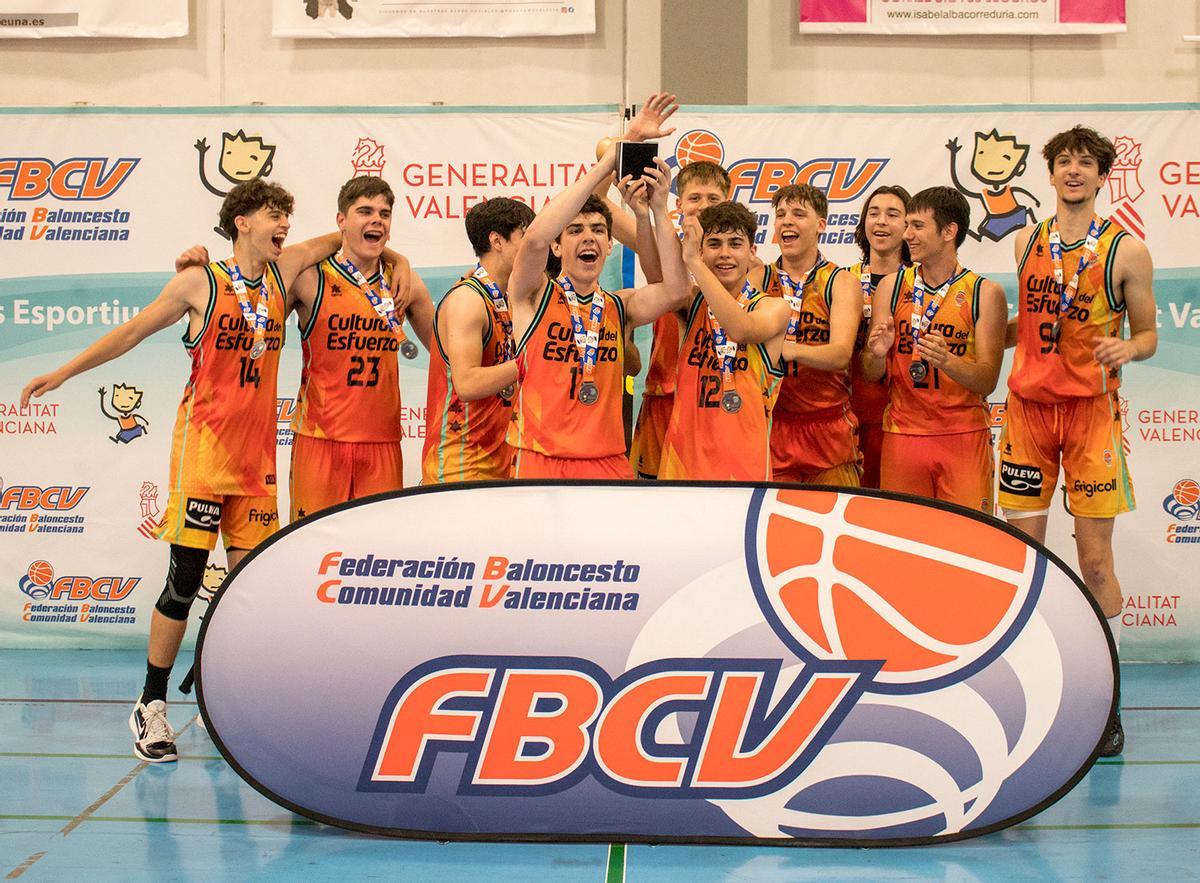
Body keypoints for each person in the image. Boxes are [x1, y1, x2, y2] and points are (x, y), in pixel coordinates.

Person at [20, 179, 339, 762]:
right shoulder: (200, 281)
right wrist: (64, 373)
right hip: (203, 457)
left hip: (257, 462)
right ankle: (151, 704)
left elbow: (343, 238)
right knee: (185, 582)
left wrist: (392, 258)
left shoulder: (285, 268)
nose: (285, 225)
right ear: (242, 221)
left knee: (252, 589)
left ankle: (243, 703)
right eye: (274, 214)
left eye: (287, 217)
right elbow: (132, 331)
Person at [999, 126, 1156, 757]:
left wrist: (1129, 349)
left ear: (1101, 175)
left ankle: (1106, 701)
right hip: (1027, 415)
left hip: (1091, 415)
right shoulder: (1025, 241)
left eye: (1085, 163)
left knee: (1094, 565)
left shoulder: (1127, 251)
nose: (1073, 171)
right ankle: (1030, 691)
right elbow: (1028, 322)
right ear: (1050, 172)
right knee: (1025, 560)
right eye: (1063, 161)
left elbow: (1148, 335)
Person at [504, 144, 690, 479]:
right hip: (542, 459)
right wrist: (606, 166)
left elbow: (677, 289)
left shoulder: (620, 307)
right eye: (575, 230)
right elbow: (533, 240)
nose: (588, 238)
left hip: (607, 461)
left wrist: (656, 210)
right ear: (557, 246)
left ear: (609, 245)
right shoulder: (533, 296)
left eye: (598, 230)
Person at [286, 176, 433, 518]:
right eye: (365, 212)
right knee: (312, 544)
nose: (377, 220)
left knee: (376, 546)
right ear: (341, 220)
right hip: (320, 439)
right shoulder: (311, 278)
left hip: (382, 442)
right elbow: (282, 262)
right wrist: (399, 257)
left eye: (384, 214)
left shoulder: (404, 283)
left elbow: (447, 353)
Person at [862, 186, 1006, 513]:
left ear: (948, 231)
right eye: (907, 225)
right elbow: (871, 373)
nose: (907, 235)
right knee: (903, 538)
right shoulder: (891, 286)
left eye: (917, 226)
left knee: (967, 537)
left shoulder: (984, 292)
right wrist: (877, 354)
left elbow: (987, 380)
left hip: (963, 435)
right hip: (902, 435)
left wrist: (948, 361)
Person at [658, 202, 789, 480]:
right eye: (714, 244)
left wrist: (694, 263)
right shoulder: (691, 302)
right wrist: (658, 206)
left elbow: (741, 329)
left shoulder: (773, 308)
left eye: (735, 243)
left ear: (752, 251)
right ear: (702, 249)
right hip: (682, 468)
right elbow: (658, 272)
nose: (725, 253)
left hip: (744, 474)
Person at [627, 161, 731, 479]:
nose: (703, 206)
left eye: (713, 198)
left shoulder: (739, 261)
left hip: (717, 402)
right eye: (695, 198)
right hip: (662, 397)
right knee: (653, 500)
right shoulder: (668, 246)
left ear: (728, 201)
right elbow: (658, 279)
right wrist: (644, 212)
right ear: (679, 203)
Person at [422, 197, 533, 483]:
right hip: (461, 465)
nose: (534, 247)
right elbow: (467, 383)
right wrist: (530, 362)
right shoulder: (468, 299)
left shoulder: (509, 299)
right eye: (526, 236)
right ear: (497, 241)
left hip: (503, 458)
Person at [759, 184, 862, 485]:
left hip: (827, 426)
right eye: (780, 214)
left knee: (836, 514)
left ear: (820, 225)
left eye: (798, 214)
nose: (786, 221)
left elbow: (840, 354)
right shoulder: (758, 277)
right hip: (774, 423)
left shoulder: (841, 281)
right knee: (772, 516)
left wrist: (789, 349)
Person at [847, 185, 910, 489]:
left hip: (903, 419)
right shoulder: (842, 279)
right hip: (849, 415)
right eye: (874, 213)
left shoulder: (922, 283)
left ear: (909, 226)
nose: (881, 221)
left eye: (892, 214)